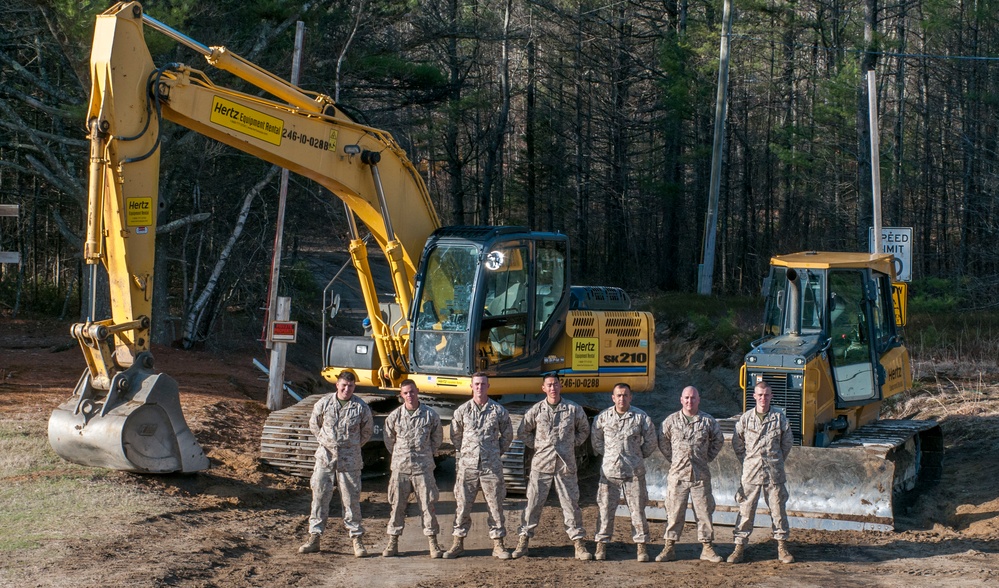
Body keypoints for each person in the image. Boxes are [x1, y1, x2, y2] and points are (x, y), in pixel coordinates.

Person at [511, 373, 593, 560]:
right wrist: (538, 446)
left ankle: (579, 543)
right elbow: (523, 431)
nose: (553, 388)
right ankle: (523, 541)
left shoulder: (573, 409)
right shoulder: (537, 410)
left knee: (571, 504)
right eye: (549, 385)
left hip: (565, 465)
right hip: (541, 464)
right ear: (543, 388)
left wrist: (572, 444)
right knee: (532, 504)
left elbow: (585, 430)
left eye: (555, 384)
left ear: (560, 386)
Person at [298, 371, 374, 557]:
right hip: (325, 458)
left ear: (354, 387)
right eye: (343, 385)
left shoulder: (361, 407)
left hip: (350, 461)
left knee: (351, 500)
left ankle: (357, 540)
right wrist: (326, 441)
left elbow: (367, 432)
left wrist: (350, 447)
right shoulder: (324, 403)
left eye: (350, 386)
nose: (346, 389)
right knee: (319, 497)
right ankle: (314, 537)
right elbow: (314, 424)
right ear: (337, 385)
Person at [443, 372, 514, 560]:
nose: (480, 387)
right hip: (468, 467)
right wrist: (468, 452)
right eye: (476, 384)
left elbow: (507, 435)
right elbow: (455, 436)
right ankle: (457, 543)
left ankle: (498, 545)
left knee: (495, 505)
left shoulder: (498, 411)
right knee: (463, 505)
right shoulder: (462, 411)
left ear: (488, 386)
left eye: (483, 384)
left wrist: (494, 452)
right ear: (471, 387)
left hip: (491, 467)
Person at [727, 380, 795, 564]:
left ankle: (782, 547)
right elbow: (737, 443)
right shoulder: (746, 419)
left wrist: (776, 460)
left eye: (766, 395)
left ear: (771, 396)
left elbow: (787, 443)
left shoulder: (779, 418)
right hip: (751, 473)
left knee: (778, 510)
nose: (763, 398)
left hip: (774, 473)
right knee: (746, 511)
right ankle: (739, 547)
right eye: (760, 395)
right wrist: (748, 462)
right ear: (754, 396)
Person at [656, 386, 725, 563]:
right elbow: (663, 441)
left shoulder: (708, 421)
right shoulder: (670, 421)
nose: (689, 401)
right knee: (674, 512)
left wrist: (706, 457)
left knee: (704, 513)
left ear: (698, 399)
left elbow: (718, 440)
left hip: (700, 476)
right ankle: (669, 547)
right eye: (686, 398)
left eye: (693, 398)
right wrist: (675, 459)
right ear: (681, 400)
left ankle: (707, 548)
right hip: (678, 476)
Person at [591, 383, 659, 562]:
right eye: (618, 395)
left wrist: (637, 456)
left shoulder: (641, 418)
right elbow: (596, 442)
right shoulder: (603, 418)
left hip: (633, 472)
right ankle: (601, 544)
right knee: (605, 510)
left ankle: (642, 546)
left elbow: (651, 441)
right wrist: (611, 456)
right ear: (613, 398)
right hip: (609, 473)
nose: (622, 398)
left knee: (637, 510)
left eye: (625, 395)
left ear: (631, 397)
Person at [382, 379, 444, 558]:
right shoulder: (394, 416)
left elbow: (437, 439)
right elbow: (389, 440)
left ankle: (433, 543)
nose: (410, 395)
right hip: (400, 469)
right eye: (406, 393)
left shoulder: (430, 415)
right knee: (397, 507)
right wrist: (400, 455)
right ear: (401, 395)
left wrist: (424, 454)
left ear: (417, 391)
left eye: (412, 391)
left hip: (422, 469)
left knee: (428, 507)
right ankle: (392, 542)